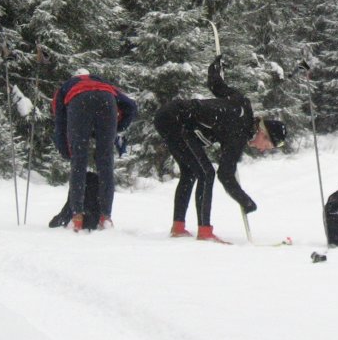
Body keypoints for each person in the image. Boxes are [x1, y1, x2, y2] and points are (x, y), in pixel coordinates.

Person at [153, 55, 286, 242]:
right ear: (264, 134)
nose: (264, 150)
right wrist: (244, 199)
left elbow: (216, 86)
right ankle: (205, 231)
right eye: (268, 146)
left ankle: (178, 226)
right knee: (206, 173)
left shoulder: (243, 104)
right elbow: (225, 174)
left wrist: (215, 68)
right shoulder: (239, 133)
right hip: (179, 121)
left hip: (170, 116)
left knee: (191, 172)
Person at [52, 67, 137, 233]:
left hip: (79, 102)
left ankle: (77, 216)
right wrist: (117, 128)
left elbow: (60, 123)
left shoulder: (66, 87)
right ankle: (105, 217)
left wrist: (66, 151)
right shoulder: (103, 83)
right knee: (105, 162)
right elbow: (131, 106)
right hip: (107, 101)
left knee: (79, 161)